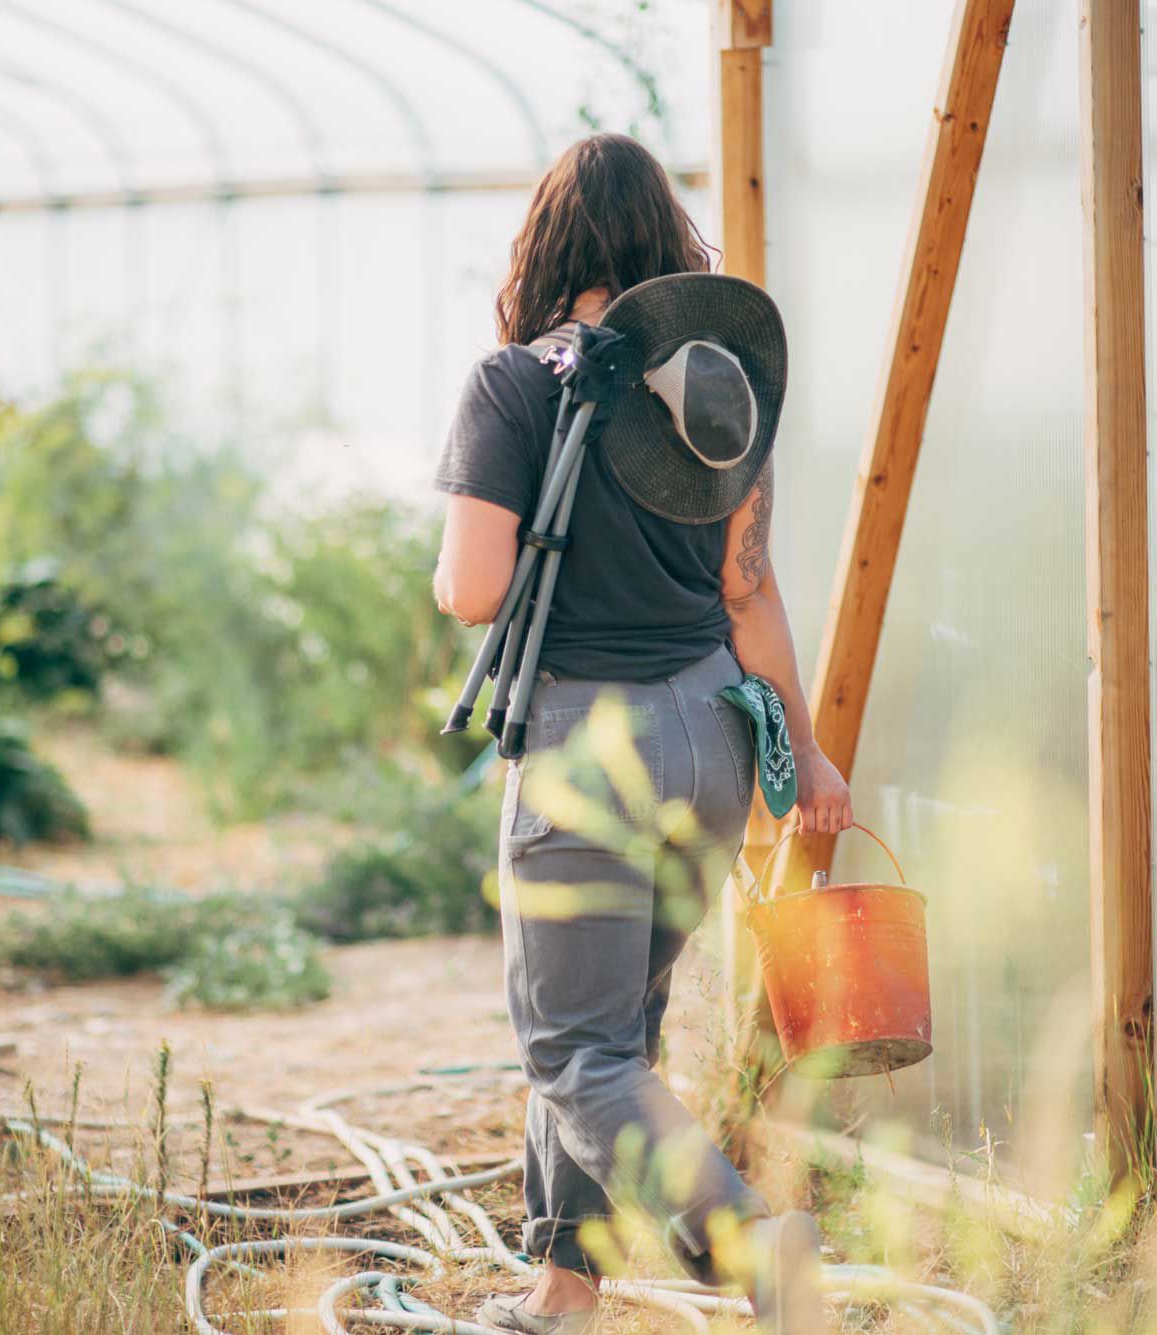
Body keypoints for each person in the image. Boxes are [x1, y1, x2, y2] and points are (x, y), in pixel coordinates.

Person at [431, 133, 853, 1335]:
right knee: (616, 1036)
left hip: (581, 743)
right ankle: (563, 1292)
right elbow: (749, 590)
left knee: (574, 1051)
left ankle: (756, 1251)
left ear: (545, 245)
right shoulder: (717, 390)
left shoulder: (514, 383)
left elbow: (469, 590)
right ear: (672, 245)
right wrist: (805, 751)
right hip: (711, 732)